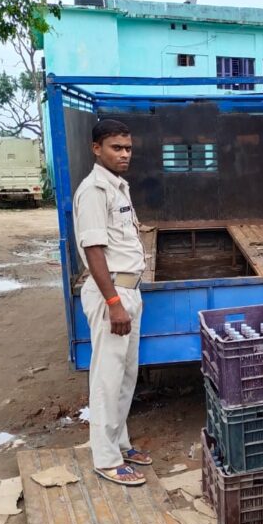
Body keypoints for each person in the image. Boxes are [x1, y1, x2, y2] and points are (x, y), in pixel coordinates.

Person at [73, 119, 152, 486]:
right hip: (112, 295)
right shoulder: (94, 190)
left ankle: (119, 442)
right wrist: (114, 303)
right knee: (107, 378)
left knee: (125, 376)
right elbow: (94, 251)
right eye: (116, 148)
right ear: (96, 149)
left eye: (128, 148)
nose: (124, 154)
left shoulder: (118, 187)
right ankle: (105, 458)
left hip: (128, 290)